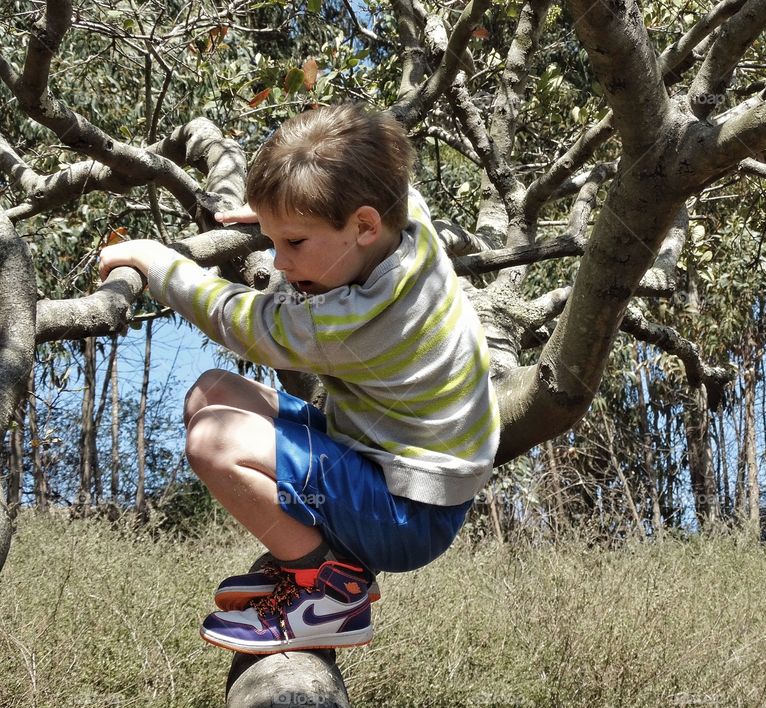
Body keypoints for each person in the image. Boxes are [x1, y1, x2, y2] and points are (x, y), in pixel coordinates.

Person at [98, 103, 500, 655]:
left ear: (363, 225)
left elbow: (242, 323)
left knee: (212, 443)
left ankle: (329, 588)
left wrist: (157, 262)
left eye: (294, 244)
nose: (280, 262)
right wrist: (287, 218)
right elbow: (389, 183)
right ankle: (310, 558)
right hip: (389, 470)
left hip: (410, 513)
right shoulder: (409, 224)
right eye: (273, 241)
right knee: (210, 393)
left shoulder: (354, 320)